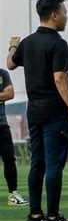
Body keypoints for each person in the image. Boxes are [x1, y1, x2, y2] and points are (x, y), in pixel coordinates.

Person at [7, 0, 68, 221]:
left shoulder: (28, 42)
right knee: (53, 165)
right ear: (54, 15)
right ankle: (52, 217)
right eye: (64, 12)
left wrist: (12, 45)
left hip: (34, 111)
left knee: (36, 163)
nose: (67, 17)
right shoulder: (58, 43)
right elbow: (60, 78)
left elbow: (10, 63)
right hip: (55, 112)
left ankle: (34, 215)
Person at [0, 68, 28, 206]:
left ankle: (13, 194)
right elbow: (5, 94)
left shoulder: (2, 73)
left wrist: (5, 94)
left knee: (9, 158)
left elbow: (10, 94)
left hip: (2, 124)